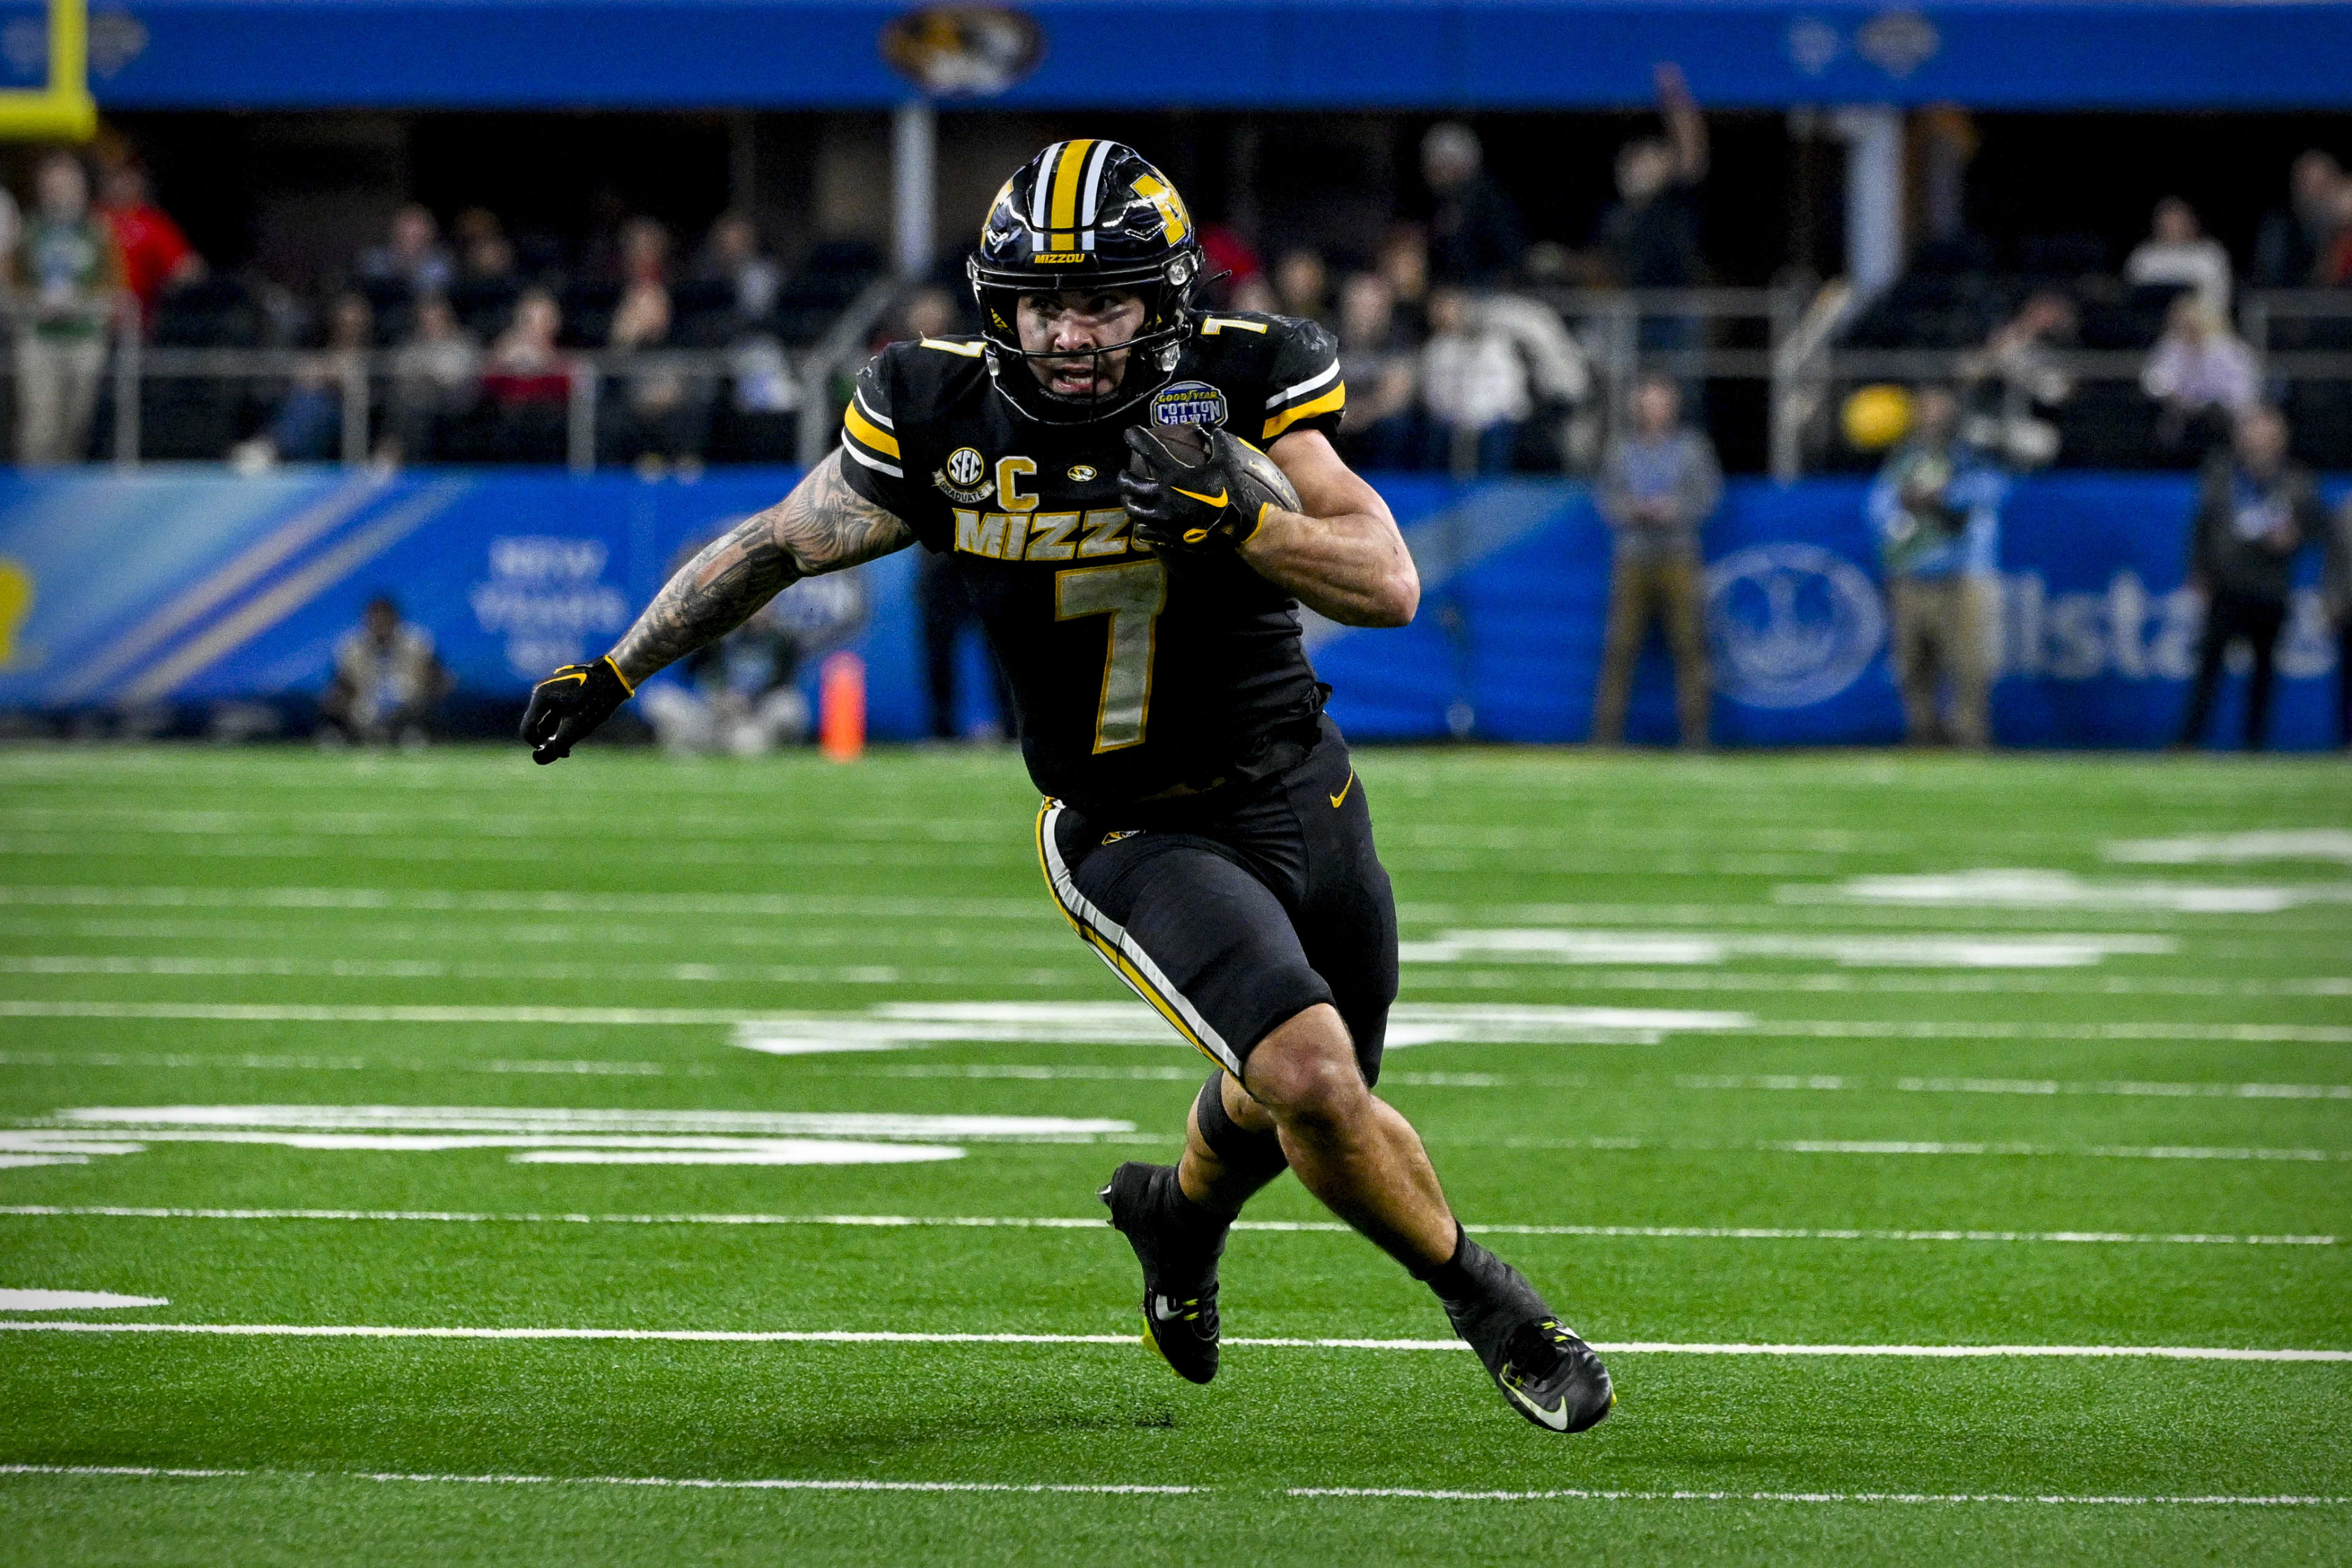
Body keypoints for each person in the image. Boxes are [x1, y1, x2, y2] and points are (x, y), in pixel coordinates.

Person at [519, 139, 1613, 1436]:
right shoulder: (941, 412)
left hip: (1304, 789)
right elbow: (773, 546)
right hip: (1132, 826)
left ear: (1169, 301)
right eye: (1043, 301)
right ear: (1002, 304)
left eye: (1102, 299)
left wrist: (1242, 521)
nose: (1071, 331)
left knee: (1299, 1100)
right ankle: (1494, 1304)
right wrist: (619, 668)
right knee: (1315, 1079)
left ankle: (1176, 1216)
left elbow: (1388, 582)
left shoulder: (1246, 382)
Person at [2176, 405, 2325, 752]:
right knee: (2209, 669)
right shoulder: (2222, 473)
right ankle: (2188, 742)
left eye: (2265, 430)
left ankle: (2254, 745)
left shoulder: (2296, 479)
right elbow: (2203, 525)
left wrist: (2294, 536)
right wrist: (2199, 570)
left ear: (2280, 436)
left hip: (2270, 587)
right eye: (2251, 430)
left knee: (2263, 672)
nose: (2256, 437)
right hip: (2228, 584)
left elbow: (2316, 526)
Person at [1868, 386, 2005, 747]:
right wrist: (1904, 503)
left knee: (1968, 666)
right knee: (1913, 666)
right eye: (1926, 410)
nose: (1933, 419)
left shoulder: (1968, 457)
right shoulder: (1902, 461)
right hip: (1911, 576)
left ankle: (1970, 738)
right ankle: (1922, 734)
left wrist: (1946, 496)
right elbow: (1878, 509)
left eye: (1940, 410)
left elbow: (1995, 490)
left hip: (1960, 576)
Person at [1591, 372, 1721, 747]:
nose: (1654, 410)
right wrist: (1629, 510)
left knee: (1689, 644)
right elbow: (1604, 498)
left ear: (1673, 406)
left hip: (1679, 553)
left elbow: (1711, 495)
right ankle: (1606, 737)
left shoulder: (1692, 448)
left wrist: (1675, 510)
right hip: (1632, 554)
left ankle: (1697, 737)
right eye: (1647, 402)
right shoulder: (1622, 449)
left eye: (1660, 402)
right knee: (1620, 647)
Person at [12, 153, 122, 466]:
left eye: (66, 184)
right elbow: (14, 282)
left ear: (80, 188)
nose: (59, 191)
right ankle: (33, 492)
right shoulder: (30, 229)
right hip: (39, 336)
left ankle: (69, 492)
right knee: (39, 424)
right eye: (52, 185)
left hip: (84, 337)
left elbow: (115, 283)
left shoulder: (98, 230)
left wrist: (82, 301)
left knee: (79, 423)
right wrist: (35, 301)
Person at [1596, 63, 1709, 293]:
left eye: (1646, 159)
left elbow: (1691, 153)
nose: (1635, 168)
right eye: (1630, 160)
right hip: (1632, 306)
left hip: (1673, 308)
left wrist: (1674, 94)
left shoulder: (1674, 201)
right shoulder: (1615, 217)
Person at [1419, 286, 1528, 476]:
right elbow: (1434, 397)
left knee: (1497, 436)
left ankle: (1493, 490)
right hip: (1451, 420)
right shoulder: (1437, 350)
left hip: (1492, 419)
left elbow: (1509, 393)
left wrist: (1479, 416)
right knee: (1436, 435)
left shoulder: (1497, 346)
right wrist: (1460, 416)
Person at [2141, 295, 2259, 461]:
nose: (2189, 329)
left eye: (2193, 322)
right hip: (2182, 414)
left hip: (2221, 417)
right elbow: (2153, 382)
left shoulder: (2228, 349)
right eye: (2183, 324)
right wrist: (2175, 394)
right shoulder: (2170, 347)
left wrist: (2210, 401)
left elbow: (2244, 391)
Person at [318, 596, 450, 746]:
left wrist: (430, 685)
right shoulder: (351, 647)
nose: (380, 625)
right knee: (332, 702)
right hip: (363, 707)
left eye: (385, 620)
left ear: (396, 620)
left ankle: (415, 736)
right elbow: (341, 685)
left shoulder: (417, 642)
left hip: (408, 705)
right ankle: (340, 738)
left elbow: (438, 677)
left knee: (427, 703)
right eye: (376, 620)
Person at [99, 162, 202, 331]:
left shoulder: (152, 223)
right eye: (114, 179)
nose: (120, 185)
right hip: (90, 313)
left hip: (137, 319)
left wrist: (164, 284)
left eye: (127, 178)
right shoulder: (92, 218)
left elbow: (189, 270)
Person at [1420, 122, 1525, 285]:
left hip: (1489, 292)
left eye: (1437, 163)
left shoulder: (1490, 203)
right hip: (1454, 292)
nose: (1430, 170)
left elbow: (1510, 257)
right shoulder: (1440, 202)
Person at [1333, 271, 1420, 470]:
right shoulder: (1326, 339)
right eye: (1359, 305)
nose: (1365, 312)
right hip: (1338, 418)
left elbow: (1396, 395)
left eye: (1373, 306)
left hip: (1376, 419)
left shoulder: (1399, 340)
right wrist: (1342, 415)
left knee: (1396, 425)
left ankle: (1388, 486)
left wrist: (1362, 413)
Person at [380, 293, 479, 464]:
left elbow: (463, 379)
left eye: (437, 318)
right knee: (404, 410)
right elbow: (401, 375)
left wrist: (435, 375)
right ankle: (396, 457)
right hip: (419, 406)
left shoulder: (464, 343)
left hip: (455, 406)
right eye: (426, 319)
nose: (432, 324)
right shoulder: (411, 345)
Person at [2125, 197, 2233, 320]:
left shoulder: (2210, 254)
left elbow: (2220, 299)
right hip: (2152, 328)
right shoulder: (2143, 257)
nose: (2174, 227)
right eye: (2169, 221)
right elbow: (2134, 300)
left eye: (2179, 221)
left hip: (2203, 326)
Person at [2253, 151, 2343, 289]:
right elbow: (2270, 281)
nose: (2311, 194)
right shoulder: (2279, 231)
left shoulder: (2345, 232)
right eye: (2304, 184)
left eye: (2319, 186)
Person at [357, 204, 453, 297]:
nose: (410, 244)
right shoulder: (373, 261)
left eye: (416, 237)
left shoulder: (441, 267)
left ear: (429, 238)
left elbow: (434, 297)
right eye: (403, 236)